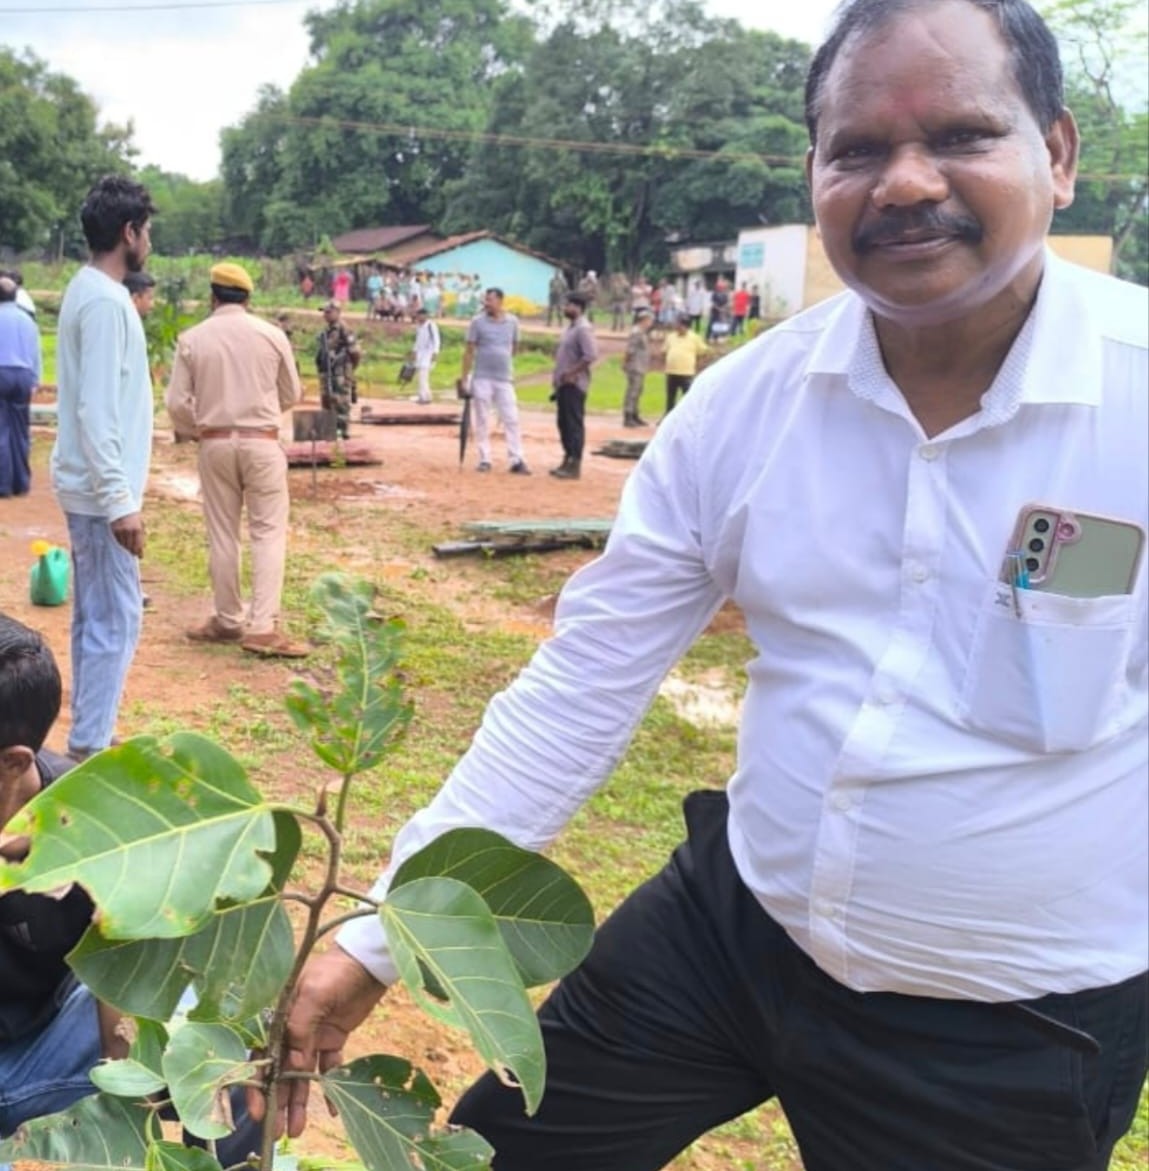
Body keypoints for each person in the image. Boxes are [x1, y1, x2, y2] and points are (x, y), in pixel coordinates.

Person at [266, 2, 1149, 1169]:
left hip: (1010, 1022)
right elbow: (583, 684)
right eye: (859, 150)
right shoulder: (745, 408)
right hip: (737, 927)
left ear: (1061, 153)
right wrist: (383, 935)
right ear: (814, 175)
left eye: (961, 135)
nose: (904, 183)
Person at [0, 613, 261, 1160]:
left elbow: (127, 1021)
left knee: (231, 1055)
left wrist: (126, 1101)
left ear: (13, 763)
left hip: (37, 1039)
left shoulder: (95, 835)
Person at [52, 175, 156, 763]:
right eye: (146, 230)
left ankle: (93, 728)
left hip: (88, 486)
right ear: (128, 232)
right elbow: (95, 407)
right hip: (99, 493)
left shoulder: (87, 290)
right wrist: (121, 500)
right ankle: (90, 744)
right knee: (116, 619)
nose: (149, 241)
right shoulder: (106, 302)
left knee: (98, 615)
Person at [165, 263, 306, 659]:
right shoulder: (272, 334)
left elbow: (176, 402)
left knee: (222, 532)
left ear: (213, 297)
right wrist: (259, 414)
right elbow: (291, 393)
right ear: (248, 298)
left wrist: (198, 428)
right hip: (262, 441)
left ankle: (228, 619)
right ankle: (262, 626)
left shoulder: (192, 339)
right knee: (268, 532)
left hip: (214, 443)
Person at [460, 288, 530, 475]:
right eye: (485, 299)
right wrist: (465, 377)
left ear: (500, 301)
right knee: (482, 418)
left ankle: (516, 458)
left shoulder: (512, 322)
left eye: (490, 300)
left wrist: (504, 361)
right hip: (482, 376)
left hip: (504, 378)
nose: (486, 303)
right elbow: (469, 351)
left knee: (511, 418)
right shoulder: (477, 322)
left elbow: (515, 346)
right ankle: (485, 458)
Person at [548, 292, 597, 481]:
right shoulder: (570, 328)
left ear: (578, 308)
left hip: (574, 385)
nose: (565, 308)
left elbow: (590, 355)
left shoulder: (583, 329)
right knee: (563, 423)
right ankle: (567, 458)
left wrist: (572, 373)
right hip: (563, 384)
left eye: (568, 305)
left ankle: (575, 463)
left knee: (574, 424)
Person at [0, 277, 40, 498]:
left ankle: (3, 484)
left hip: (1, 372)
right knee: (20, 429)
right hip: (23, 375)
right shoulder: (27, 320)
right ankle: (21, 482)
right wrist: (35, 379)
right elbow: (36, 354)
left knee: (1, 429)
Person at [315, 300, 360, 440]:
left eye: (328, 312)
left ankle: (342, 431)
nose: (325, 315)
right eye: (324, 312)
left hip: (340, 372)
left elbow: (355, 352)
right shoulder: (327, 331)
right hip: (327, 372)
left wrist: (349, 369)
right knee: (327, 400)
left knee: (340, 402)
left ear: (337, 312)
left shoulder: (344, 329)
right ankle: (329, 431)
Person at [663, 313, 709, 415]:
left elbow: (703, 351)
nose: (677, 327)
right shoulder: (671, 337)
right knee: (670, 398)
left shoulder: (694, 337)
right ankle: (667, 417)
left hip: (686, 372)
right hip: (671, 371)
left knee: (688, 397)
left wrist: (699, 364)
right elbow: (664, 351)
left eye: (679, 325)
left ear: (685, 326)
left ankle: (688, 417)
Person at [621, 307, 654, 429]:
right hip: (635, 366)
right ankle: (628, 415)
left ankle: (635, 414)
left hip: (641, 366)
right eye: (649, 320)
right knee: (632, 391)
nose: (650, 323)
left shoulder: (642, 332)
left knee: (638, 391)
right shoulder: (636, 332)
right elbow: (630, 350)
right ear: (643, 320)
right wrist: (625, 363)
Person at [409, 307, 441, 405]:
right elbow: (418, 341)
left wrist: (435, 353)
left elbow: (436, 340)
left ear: (425, 315)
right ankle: (425, 396)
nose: (418, 317)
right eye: (418, 315)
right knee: (421, 376)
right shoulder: (419, 326)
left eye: (420, 315)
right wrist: (414, 352)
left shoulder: (431, 325)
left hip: (428, 354)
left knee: (423, 375)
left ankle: (424, 397)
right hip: (420, 354)